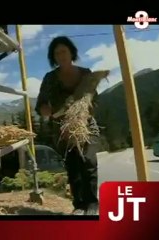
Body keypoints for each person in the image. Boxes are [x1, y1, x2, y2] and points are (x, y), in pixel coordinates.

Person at [35, 36, 100, 215]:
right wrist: (44, 109)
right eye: (57, 53)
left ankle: (92, 204)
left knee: (88, 160)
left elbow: (95, 98)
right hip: (63, 129)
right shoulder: (50, 78)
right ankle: (79, 205)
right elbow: (41, 103)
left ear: (71, 52)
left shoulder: (86, 73)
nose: (61, 55)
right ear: (53, 57)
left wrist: (85, 107)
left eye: (64, 51)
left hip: (86, 126)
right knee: (73, 165)